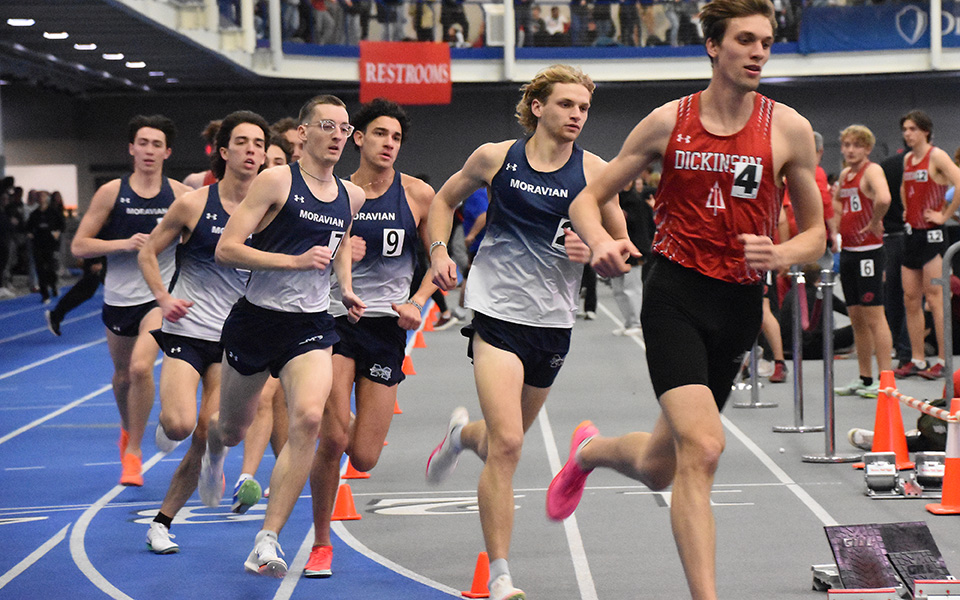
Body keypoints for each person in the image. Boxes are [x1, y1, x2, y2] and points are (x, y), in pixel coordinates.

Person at [546, 3, 826, 599]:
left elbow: (816, 234)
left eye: (767, 43)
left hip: (740, 306)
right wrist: (600, 242)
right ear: (712, 46)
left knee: (659, 466)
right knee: (703, 446)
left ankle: (588, 452)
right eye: (745, 40)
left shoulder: (788, 129)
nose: (758, 53)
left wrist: (783, 254)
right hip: (675, 294)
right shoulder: (666, 122)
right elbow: (586, 199)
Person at [424, 65, 626, 600]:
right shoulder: (495, 158)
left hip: (552, 325)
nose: (576, 116)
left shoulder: (596, 171)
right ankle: (501, 575)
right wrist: (440, 252)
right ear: (538, 106)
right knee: (511, 444)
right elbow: (442, 203)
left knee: (496, 440)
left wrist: (602, 252)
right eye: (566, 105)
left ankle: (460, 436)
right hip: (497, 315)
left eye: (583, 108)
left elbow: (624, 245)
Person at [198, 94, 366, 577]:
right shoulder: (276, 181)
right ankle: (214, 452)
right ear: (303, 133)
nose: (339, 136)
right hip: (257, 320)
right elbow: (227, 249)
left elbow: (338, 247)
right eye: (329, 126)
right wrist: (292, 261)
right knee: (231, 428)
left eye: (345, 128)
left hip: (310, 324)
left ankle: (267, 538)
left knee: (309, 418)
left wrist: (347, 289)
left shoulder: (350, 195)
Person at [304, 98, 436, 578]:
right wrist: (337, 249)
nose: (389, 144)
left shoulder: (418, 194)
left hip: (386, 330)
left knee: (363, 455)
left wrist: (418, 301)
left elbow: (443, 264)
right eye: (380, 134)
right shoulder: (329, 191)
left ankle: (339, 413)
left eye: (397, 137)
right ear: (357, 138)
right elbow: (297, 249)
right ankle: (321, 542)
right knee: (334, 439)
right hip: (335, 322)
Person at [138, 111, 270, 553]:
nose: (252, 150)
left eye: (259, 143)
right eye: (243, 142)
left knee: (210, 431)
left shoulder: (272, 212)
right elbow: (148, 253)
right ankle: (178, 430)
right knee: (178, 425)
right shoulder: (194, 203)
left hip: (235, 337)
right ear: (223, 151)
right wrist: (161, 297)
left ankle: (162, 523)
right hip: (188, 329)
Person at [71, 115, 191, 487]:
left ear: (168, 152)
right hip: (119, 298)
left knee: (141, 368)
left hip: (160, 297)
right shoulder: (111, 192)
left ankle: (134, 453)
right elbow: (79, 246)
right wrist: (122, 244)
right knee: (123, 377)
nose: (149, 150)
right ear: (131, 148)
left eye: (157, 144)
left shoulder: (180, 196)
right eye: (143, 143)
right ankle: (128, 428)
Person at [893, 110, 960, 380]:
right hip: (912, 234)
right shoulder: (908, 159)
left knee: (935, 299)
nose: (907, 133)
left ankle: (943, 360)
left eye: (912, 129)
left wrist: (944, 215)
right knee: (911, 299)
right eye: (905, 129)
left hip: (933, 235)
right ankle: (918, 359)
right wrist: (907, 210)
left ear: (925, 131)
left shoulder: (937, 156)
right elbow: (903, 188)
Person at [831, 125, 893, 398]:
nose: (850, 150)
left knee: (874, 316)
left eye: (856, 145)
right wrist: (834, 232)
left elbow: (885, 197)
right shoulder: (845, 175)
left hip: (869, 251)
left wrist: (875, 221)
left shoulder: (872, 171)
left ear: (867, 148)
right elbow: (836, 203)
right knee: (856, 316)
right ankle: (865, 377)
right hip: (849, 253)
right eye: (846, 145)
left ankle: (886, 379)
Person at [26, 190, 66, 304]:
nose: (41, 199)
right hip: (38, 244)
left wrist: (58, 232)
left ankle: (53, 285)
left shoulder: (53, 212)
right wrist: (30, 233)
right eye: (39, 197)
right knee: (40, 269)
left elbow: (62, 224)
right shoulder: (34, 214)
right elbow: (28, 227)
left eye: (43, 196)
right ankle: (44, 294)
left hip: (50, 244)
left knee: (50, 268)